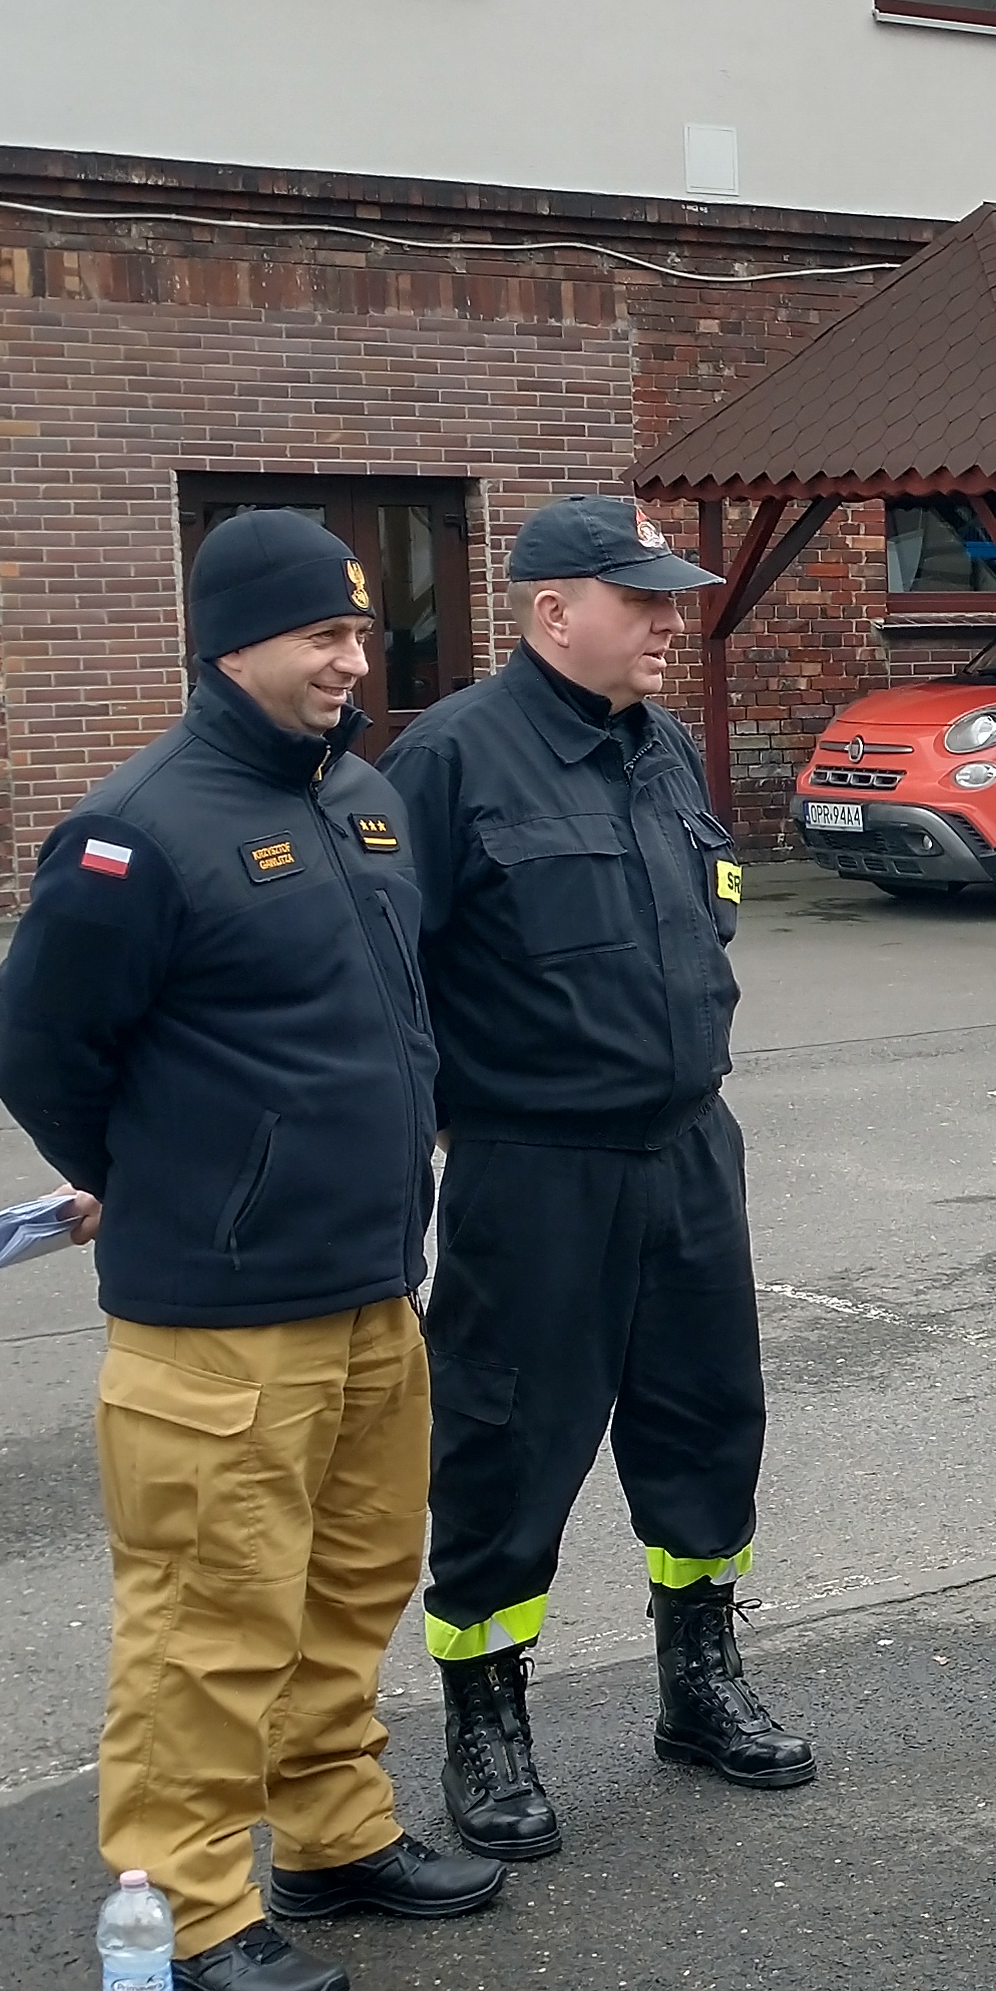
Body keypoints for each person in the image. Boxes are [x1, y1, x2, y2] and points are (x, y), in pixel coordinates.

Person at [0, 509, 503, 1991]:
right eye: (321, 636)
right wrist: (150, 1178)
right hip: (217, 1318)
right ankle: (189, 1908)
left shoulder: (361, 798)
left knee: (350, 1583)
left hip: (370, 1287)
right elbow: (39, 1054)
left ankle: (333, 1834)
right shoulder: (135, 832)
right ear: (230, 644)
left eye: (361, 634)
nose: (352, 662)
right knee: (209, 1624)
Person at [380, 496, 812, 1867]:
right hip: (537, 1167)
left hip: (687, 1146)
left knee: (708, 1422)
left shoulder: (662, 747)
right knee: (508, 1443)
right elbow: (389, 982)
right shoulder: (449, 759)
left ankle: (700, 1679)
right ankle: (486, 1720)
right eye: (644, 600)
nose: (672, 622)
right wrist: (441, 1135)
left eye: (674, 597)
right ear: (554, 611)